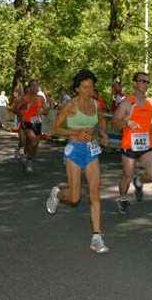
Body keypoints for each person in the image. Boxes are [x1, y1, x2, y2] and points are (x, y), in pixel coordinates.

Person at [47, 69, 110, 254]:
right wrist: (75, 132)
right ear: (77, 88)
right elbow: (55, 128)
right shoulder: (70, 105)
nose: (88, 90)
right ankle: (57, 194)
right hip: (74, 151)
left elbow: (102, 121)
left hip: (91, 151)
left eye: (91, 87)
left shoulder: (96, 105)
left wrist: (103, 133)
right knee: (75, 198)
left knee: (95, 194)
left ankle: (96, 237)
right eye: (84, 87)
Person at [111, 72, 152, 214]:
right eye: (143, 81)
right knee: (127, 176)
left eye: (148, 82)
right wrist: (127, 123)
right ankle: (123, 198)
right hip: (129, 145)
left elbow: (149, 118)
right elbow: (114, 122)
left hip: (146, 144)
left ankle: (139, 182)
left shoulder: (150, 102)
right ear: (135, 83)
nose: (146, 84)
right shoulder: (127, 102)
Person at [14, 80, 46, 173]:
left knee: (35, 145)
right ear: (30, 87)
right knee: (32, 139)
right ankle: (28, 159)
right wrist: (21, 116)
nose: (35, 88)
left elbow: (46, 110)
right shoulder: (25, 98)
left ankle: (29, 159)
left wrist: (42, 112)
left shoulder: (41, 98)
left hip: (37, 122)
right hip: (27, 122)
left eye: (36, 86)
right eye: (33, 86)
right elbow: (17, 108)